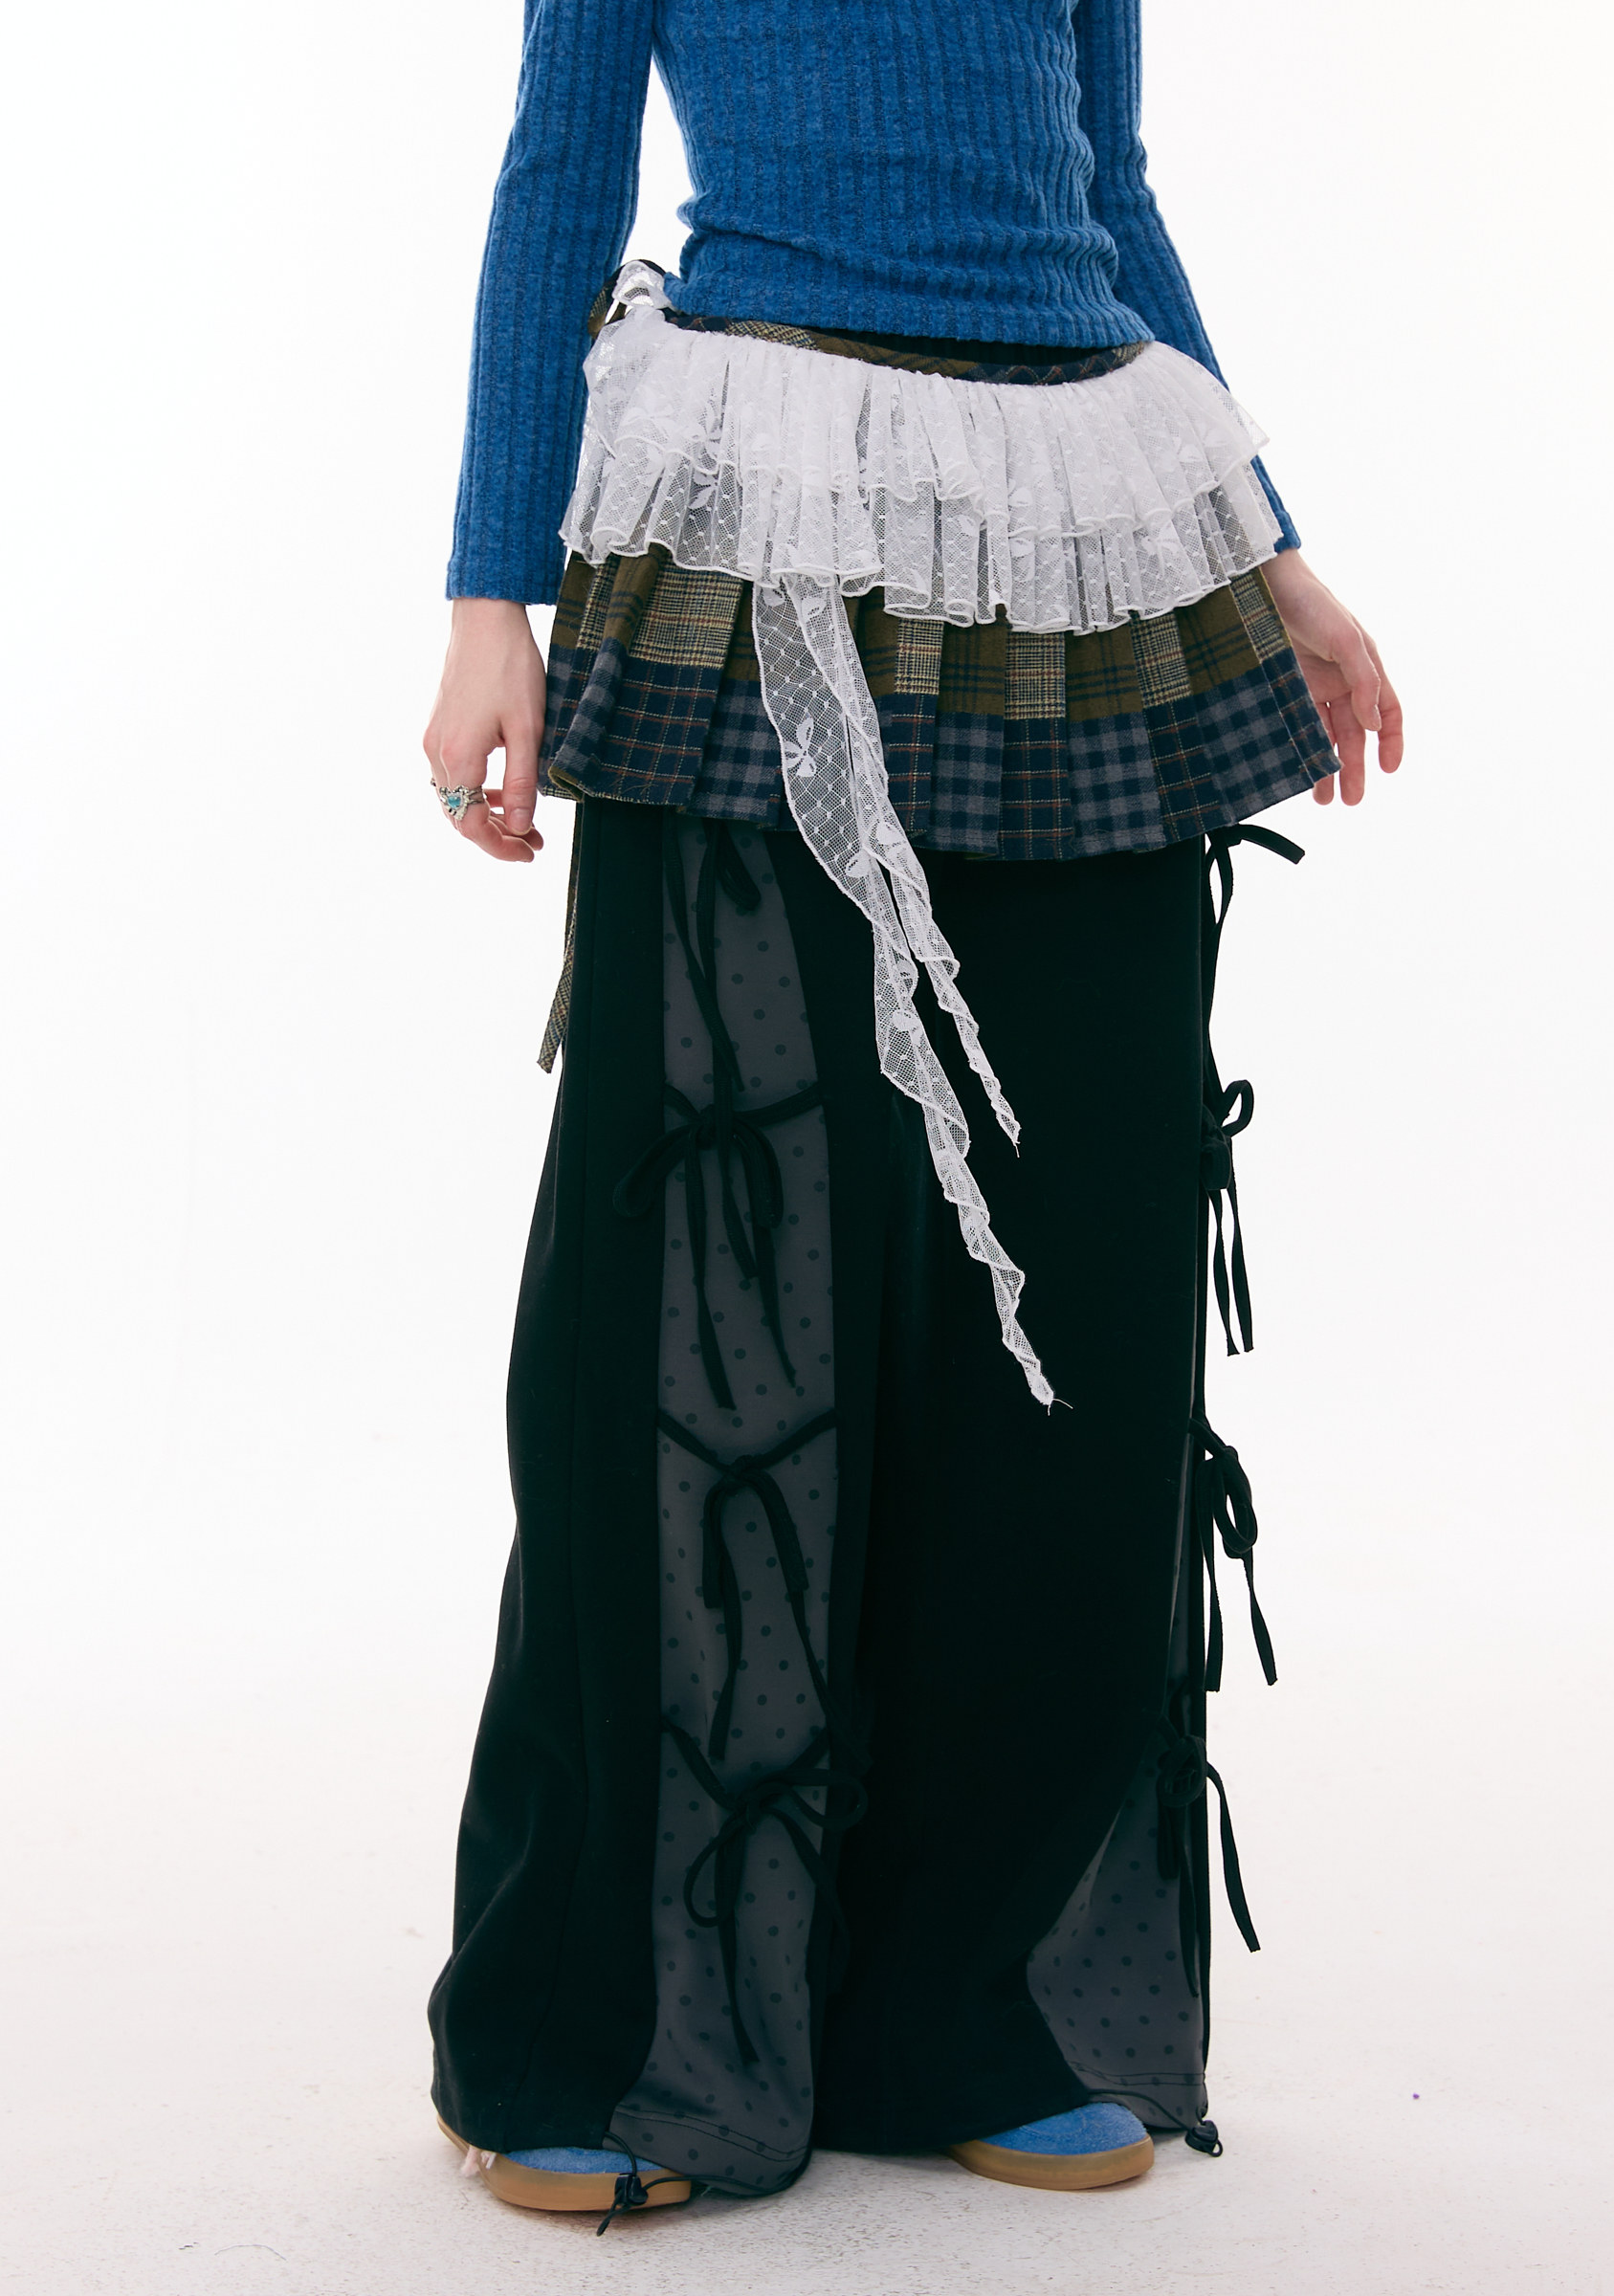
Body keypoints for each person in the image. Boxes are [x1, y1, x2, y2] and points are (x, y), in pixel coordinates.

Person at [421, 0, 1402, 2227]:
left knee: (1083, 1280)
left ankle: (960, 1995)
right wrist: (493, 596)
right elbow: (558, 179)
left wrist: (1278, 555)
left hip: (1084, 542)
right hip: (752, 521)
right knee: (705, 1283)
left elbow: (1105, 192)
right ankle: (606, 2016)